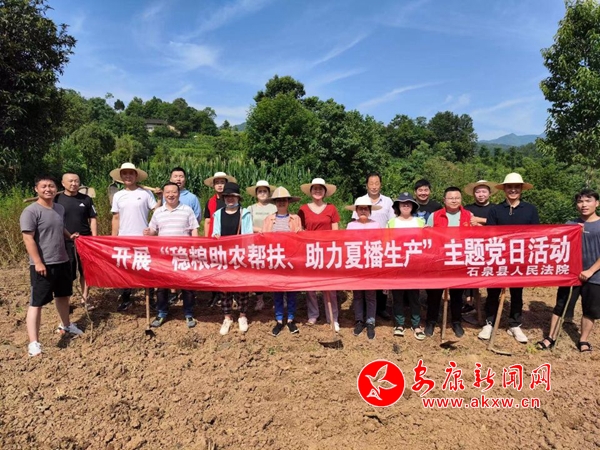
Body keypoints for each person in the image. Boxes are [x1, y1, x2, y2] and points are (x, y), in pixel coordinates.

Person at [21, 175, 83, 357]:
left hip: (62, 260)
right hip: (43, 264)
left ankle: (66, 325)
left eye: (51, 186)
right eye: (44, 186)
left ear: (56, 189)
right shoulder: (31, 211)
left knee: (63, 295)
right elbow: (28, 238)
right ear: (36, 189)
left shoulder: (59, 208)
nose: (48, 189)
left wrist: (69, 236)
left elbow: (59, 227)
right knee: (37, 303)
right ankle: (34, 343)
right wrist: (38, 262)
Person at [478, 173, 540, 344]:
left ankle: (515, 324)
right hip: (498, 257)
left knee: (517, 292)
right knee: (493, 291)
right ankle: (489, 323)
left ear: (521, 189)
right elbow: (490, 234)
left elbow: (536, 234)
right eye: (509, 187)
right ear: (504, 189)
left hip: (521, 258)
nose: (513, 190)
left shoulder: (530, 209)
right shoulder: (495, 210)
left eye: (516, 187)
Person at [538, 189, 600, 352]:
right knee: (561, 305)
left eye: (588, 201)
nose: (584, 205)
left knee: (590, 310)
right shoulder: (570, 224)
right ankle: (550, 337)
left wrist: (590, 271)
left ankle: (583, 340)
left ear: (596, 203)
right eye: (580, 201)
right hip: (571, 274)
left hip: (595, 276)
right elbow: (558, 247)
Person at [144, 182, 200, 328]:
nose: (171, 195)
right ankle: (161, 312)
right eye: (167, 192)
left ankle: (188, 313)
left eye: (174, 192)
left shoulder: (187, 210)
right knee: (161, 286)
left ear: (179, 194)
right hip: (164, 255)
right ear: (163, 194)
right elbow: (153, 230)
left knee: (187, 285)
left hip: (183, 254)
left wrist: (194, 248)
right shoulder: (158, 212)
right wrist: (148, 232)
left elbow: (194, 229)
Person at [110, 162, 160, 311]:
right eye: (125, 174)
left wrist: (160, 198)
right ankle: (126, 298)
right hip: (124, 238)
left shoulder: (146, 193)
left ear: (136, 176)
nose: (128, 176)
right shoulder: (118, 195)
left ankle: (150, 299)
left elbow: (156, 211)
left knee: (145, 268)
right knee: (125, 269)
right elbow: (116, 218)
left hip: (143, 238)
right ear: (121, 176)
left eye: (131, 173)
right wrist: (113, 238)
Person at [425, 187, 473, 338]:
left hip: (459, 259)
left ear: (461, 199)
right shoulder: (434, 216)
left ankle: (456, 322)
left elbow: (474, 236)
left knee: (457, 294)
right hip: (439, 259)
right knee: (434, 293)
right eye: (451, 198)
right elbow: (428, 237)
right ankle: (431, 321)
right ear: (444, 200)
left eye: (457, 198)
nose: (454, 200)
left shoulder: (468, 216)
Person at [351, 172, 396, 320]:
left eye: (377, 183)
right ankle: (363, 310)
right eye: (371, 183)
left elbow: (392, 222)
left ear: (381, 185)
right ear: (366, 185)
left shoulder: (388, 201)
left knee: (380, 277)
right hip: (361, 246)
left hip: (381, 244)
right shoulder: (360, 200)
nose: (374, 186)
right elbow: (354, 222)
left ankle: (381, 308)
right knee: (364, 278)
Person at [298, 178, 341, 331]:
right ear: (310, 192)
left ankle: (333, 317)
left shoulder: (331, 208)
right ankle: (313, 314)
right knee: (311, 285)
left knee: (330, 286)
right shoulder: (303, 209)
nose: (317, 191)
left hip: (327, 251)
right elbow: (300, 230)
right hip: (310, 251)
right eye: (315, 188)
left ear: (325, 192)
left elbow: (336, 230)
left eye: (320, 188)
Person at [212, 182, 253, 335]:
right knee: (224, 287)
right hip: (223, 255)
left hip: (240, 255)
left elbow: (249, 235)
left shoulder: (245, 213)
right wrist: (216, 236)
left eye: (233, 196)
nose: (230, 199)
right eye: (227, 196)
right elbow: (215, 232)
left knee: (242, 287)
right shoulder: (218, 214)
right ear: (224, 198)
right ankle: (227, 317)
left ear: (238, 197)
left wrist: (247, 254)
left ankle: (242, 315)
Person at [262, 187, 303, 336]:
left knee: (291, 291)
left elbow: (300, 239)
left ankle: (291, 319)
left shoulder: (295, 219)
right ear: (275, 203)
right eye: (278, 200)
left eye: (284, 200)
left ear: (288, 202)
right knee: (278, 291)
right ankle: (279, 320)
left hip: (291, 259)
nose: (281, 203)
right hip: (276, 259)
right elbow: (264, 239)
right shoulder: (269, 219)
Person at [386, 193, 426, 340]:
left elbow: (426, 242)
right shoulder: (391, 223)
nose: (405, 206)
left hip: (415, 264)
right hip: (397, 264)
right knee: (398, 296)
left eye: (408, 203)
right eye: (402, 203)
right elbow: (386, 243)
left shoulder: (420, 222)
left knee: (414, 296)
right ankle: (399, 324)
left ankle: (416, 324)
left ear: (413, 206)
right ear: (398, 206)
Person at [55, 172, 97, 310]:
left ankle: (85, 298)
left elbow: (93, 219)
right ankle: (66, 301)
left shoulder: (86, 199)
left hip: (85, 240)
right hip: (64, 241)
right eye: (70, 181)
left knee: (86, 271)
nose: (74, 184)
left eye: (76, 181)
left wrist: (94, 239)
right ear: (63, 183)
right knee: (68, 272)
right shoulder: (57, 199)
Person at [346, 197, 382, 340]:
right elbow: (346, 244)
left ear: (370, 211)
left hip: (371, 263)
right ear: (356, 210)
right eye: (360, 208)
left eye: (366, 208)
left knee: (371, 294)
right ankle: (359, 320)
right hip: (356, 263)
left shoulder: (376, 224)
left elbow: (380, 243)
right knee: (358, 294)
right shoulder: (351, 225)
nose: (363, 211)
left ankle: (370, 321)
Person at [462, 180, 497, 314]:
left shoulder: (496, 209)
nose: (481, 194)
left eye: (484, 191)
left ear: (489, 193)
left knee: (490, 275)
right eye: (478, 192)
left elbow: (499, 225)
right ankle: (469, 303)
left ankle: (490, 304)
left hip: (491, 247)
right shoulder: (467, 208)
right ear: (473, 194)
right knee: (470, 274)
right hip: (472, 246)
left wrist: (480, 221)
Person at [203, 171, 236, 307]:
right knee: (216, 267)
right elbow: (207, 221)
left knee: (232, 267)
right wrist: (207, 240)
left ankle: (232, 294)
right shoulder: (210, 202)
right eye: (217, 183)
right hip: (215, 239)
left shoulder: (232, 199)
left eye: (222, 182)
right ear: (213, 185)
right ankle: (216, 294)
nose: (220, 185)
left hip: (231, 239)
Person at [246, 180, 277, 311]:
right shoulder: (251, 208)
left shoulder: (274, 207)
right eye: (260, 191)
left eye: (265, 191)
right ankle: (259, 299)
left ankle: (278, 298)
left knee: (274, 269)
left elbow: (278, 222)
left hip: (271, 244)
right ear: (256, 194)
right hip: (256, 244)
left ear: (269, 193)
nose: (262, 193)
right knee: (257, 271)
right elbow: (247, 224)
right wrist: (260, 230)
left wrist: (267, 231)